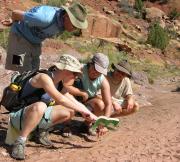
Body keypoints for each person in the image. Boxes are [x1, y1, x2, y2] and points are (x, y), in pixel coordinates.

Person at [7, 54, 98, 160]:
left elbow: (73, 101)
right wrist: (83, 113)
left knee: (69, 111)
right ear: (64, 69)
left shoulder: (59, 84)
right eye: (74, 73)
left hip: (33, 117)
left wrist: (93, 116)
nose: (76, 76)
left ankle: (38, 131)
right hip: (17, 117)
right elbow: (61, 99)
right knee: (41, 106)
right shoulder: (43, 77)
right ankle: (20, 141)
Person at [2, 2, 88, 73]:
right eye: (74, 24)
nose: (75, 28)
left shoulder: (62, 23)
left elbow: (31, 15)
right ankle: (13, 93)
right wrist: (13, 20)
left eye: (77, 26)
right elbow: (15, 13)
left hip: (35, 42)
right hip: (18, 39)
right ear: (66, 16)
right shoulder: (45, 18)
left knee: (34, 72)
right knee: (19, 71)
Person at [64, 53, 112, 134]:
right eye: (95, 69)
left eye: (100, 71)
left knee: (100, 104)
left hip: (87, 102)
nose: (97, 73)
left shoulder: (102, 80)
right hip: (71, 99)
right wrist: (82, 93)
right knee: (69, 103)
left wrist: (104, 123)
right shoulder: (79, 69)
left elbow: (108, 104)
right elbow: (66, 86)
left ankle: (86, 124)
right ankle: (66, 126)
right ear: (91, 63)